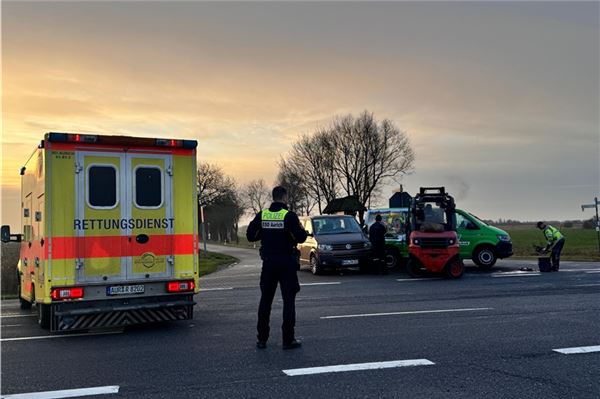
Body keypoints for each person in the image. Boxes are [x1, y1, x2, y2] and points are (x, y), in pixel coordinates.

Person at [246, 186, 308, 350]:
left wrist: (264, 234)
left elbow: (250, 235)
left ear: (273, 197)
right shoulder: (289, 216)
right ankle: (288, 340)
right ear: (285, 197)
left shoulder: (263, 215)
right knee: (288, 301)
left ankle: (262, 339)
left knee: (265, 300)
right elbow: (301, 238)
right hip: (286, 263)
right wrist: (301, 230)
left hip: (268, 264)